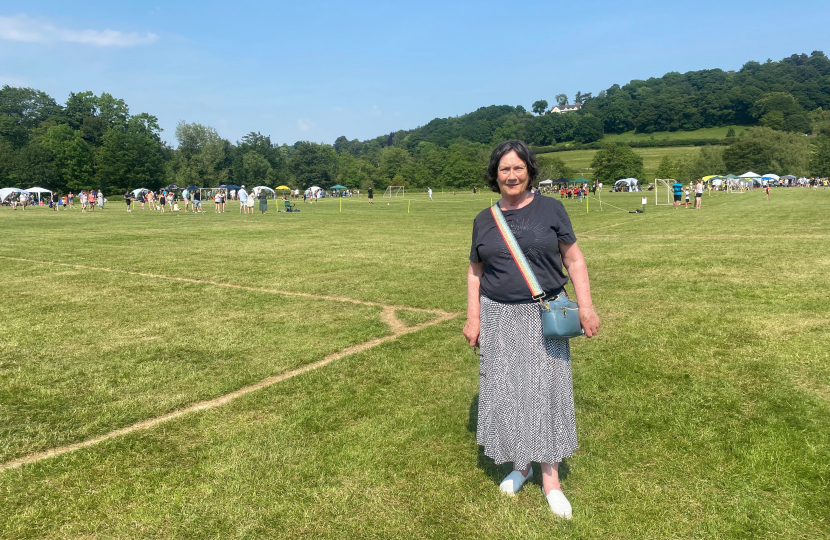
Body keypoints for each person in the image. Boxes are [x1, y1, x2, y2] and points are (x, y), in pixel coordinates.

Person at [463, 140, 600, 519]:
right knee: (507, 389)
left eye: (518, 168)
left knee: (546, 390)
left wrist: (586, 307)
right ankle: (520, 465)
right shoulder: (483, 219)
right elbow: (475, 272)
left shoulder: (551, 209)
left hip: (543, 314)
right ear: (495, 175)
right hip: (497, 315)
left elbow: (573, 259)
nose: (511, 175)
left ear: (529, 170)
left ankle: (551, 480)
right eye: (504, 169)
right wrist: (473, 317)